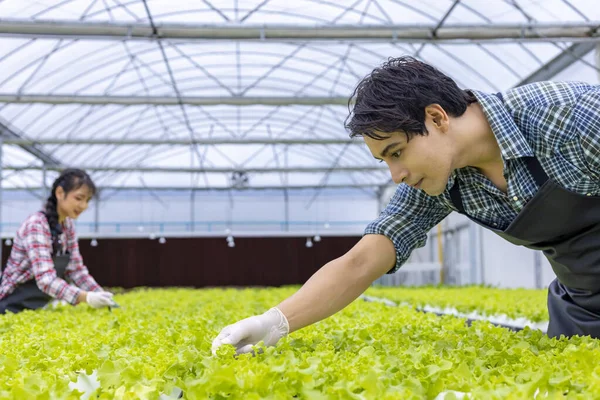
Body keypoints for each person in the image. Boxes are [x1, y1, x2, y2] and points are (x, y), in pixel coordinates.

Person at [212, 56, 600, 355]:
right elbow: (362, 262)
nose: (396, 174)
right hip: (584, 306)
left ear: (436, 117)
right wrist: (273, 323)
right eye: (385, 161)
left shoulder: (572, 119)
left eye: (396, 153)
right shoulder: (443, 179)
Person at [0, 168, 115, 314]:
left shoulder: (67, 227)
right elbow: (45, 280)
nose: (83, 206)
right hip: (10, 306)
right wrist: (86, 297)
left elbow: (76, 270)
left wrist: (99, 294)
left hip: (35, 309)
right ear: (60, 193)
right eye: (79, 198)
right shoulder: (36, 225)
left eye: (87, 200)